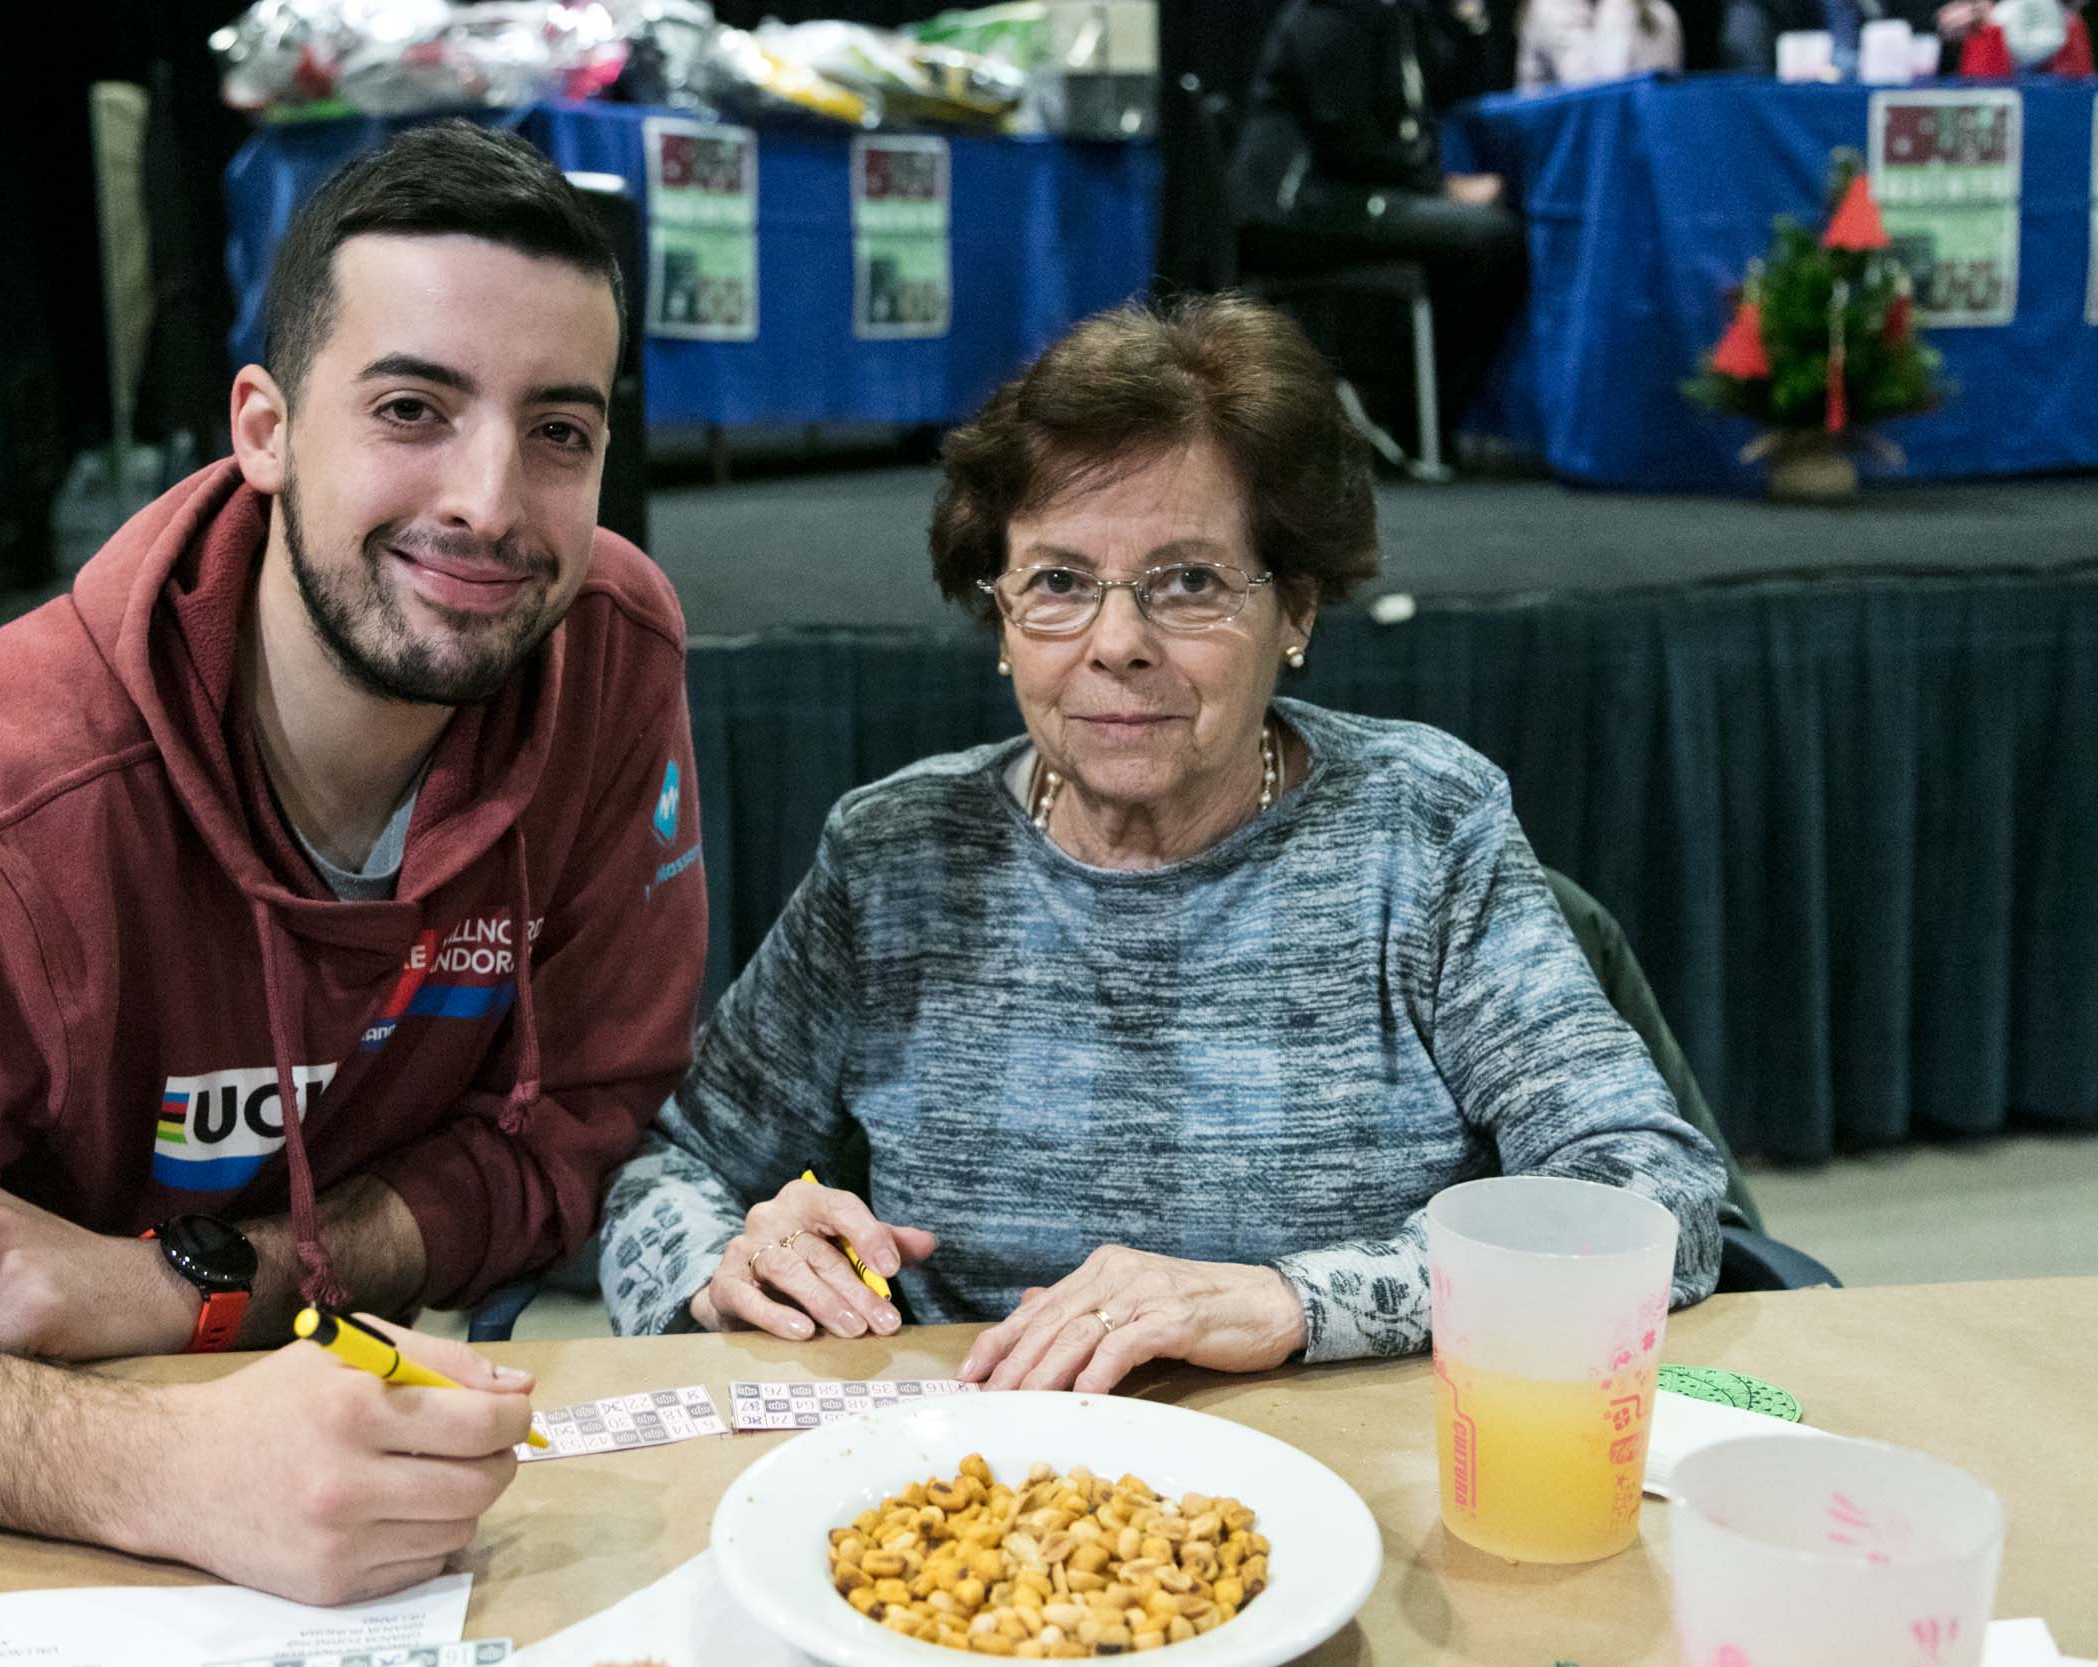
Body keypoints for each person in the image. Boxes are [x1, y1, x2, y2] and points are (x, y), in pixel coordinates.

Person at [0, 122, 707, 1603]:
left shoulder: (605, 651)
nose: (492, 503)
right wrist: (148, 1467)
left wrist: (201, 1278)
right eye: (412, 408)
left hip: (361, 1503)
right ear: (262, 427)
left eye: (560, 430)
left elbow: (583, 1122)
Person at [598, 295, 1725, 1393]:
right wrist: (726, 1265)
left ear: (1295, 608)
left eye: (1188, 581)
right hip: (965, 1510)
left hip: (1346, 1489)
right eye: (1058, 583)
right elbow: (662, 1175)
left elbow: (1651, 1203)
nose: (1117, 642)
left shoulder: (1418, 829)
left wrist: (1291, 1302)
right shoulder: (896, 858)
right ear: (999, 616)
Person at [1225, 0, 1527, 450]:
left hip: (1347, 198)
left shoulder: (1396, 13)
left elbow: (1445, 87)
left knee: (1489, 234)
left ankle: (1408, 408)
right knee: (1489, 239)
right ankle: (1407, 414)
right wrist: (1438, 188)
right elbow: (1347, 138)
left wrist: (1467, 23)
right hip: (1295, 210)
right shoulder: (1326, 14)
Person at [1516, 0, 1684, 87]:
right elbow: (1589, 89)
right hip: (1554, 144)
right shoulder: (1548, 8)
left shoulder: (1657, 14)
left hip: (1622, 142)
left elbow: (1656, 103)